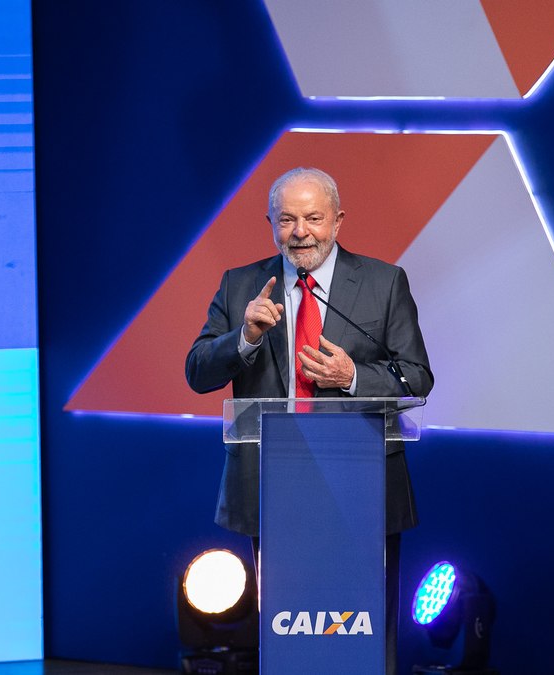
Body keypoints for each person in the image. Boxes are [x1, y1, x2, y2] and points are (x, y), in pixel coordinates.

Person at [185, 166, 434, 675]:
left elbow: (417, 376)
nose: (301, 232)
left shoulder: (385, 283)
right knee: (287, 635)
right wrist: (245, 339)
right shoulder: (241, 287)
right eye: (287, 220)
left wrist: (352, 376)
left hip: (361, 481)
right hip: (273, 483)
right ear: (271, 224)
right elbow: (197, 372)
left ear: (338, 221)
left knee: (363, 636)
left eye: (314, 218)